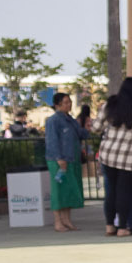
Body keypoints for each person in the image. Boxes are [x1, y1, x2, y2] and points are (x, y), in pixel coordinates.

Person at [96, 76, 132, 236]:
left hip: (108, 154)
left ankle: (109, 226)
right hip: (131, 157)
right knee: (125, 191)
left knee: (111, 192)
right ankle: (122, 227)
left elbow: (95, 127)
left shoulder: (110, 104)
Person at [44, 91, 85, 232]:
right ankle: (58, 222)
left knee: (68, 191)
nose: (69, 104)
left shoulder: (71, 120)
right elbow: (52, 141)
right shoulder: (53, 121)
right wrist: (59, 158)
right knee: (58, 191)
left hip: (72, 159)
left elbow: (81, 133)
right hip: (59, 161)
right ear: (57, 105)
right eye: (66, 102)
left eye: (70, 102)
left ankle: (67, 220)